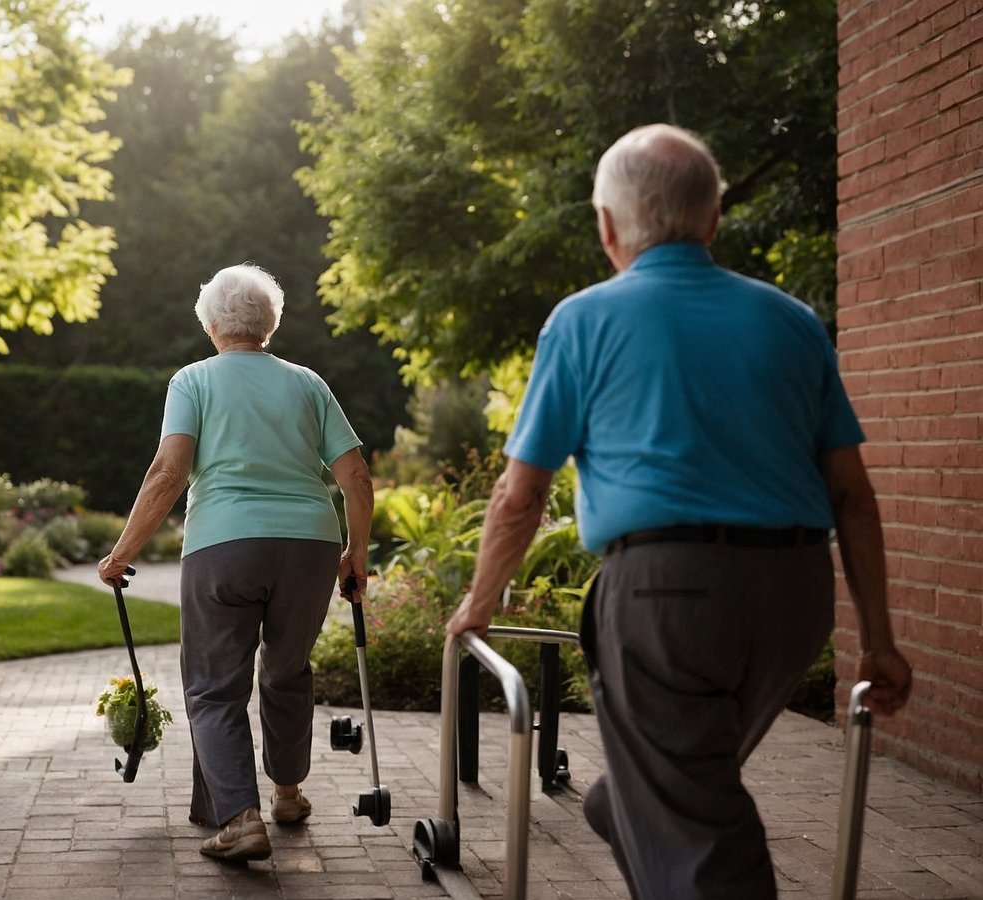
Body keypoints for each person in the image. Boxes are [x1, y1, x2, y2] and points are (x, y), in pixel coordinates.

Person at [445, 124, 912, 899]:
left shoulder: (585, 319)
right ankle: (627, 807)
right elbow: (852, 496)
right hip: (795, 596)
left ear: (607, 225)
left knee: (703, 836)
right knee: (671, 788)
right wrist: (882, 641)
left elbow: (520, 494)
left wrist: (479, 603)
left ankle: (659, 832)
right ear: (714, 218)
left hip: (669, 596)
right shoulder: (792, 321)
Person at [98, 263, 374, 863]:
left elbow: (169, 473)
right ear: (268, 322)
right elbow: (353, 474)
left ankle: (240, 819)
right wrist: (356, 552)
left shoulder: (192, 381)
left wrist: (121, 554)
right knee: (286, 670)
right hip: (309, 544)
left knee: (215, 687)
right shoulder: (308, 383)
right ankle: (288, 793)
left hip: (224, 544)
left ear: (211, 322)